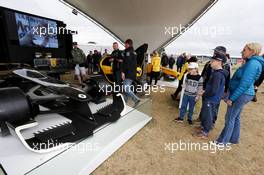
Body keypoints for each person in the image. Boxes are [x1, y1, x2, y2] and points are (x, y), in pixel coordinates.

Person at [216, 43, 264, 145]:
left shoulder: (253, 64)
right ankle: (234, 139)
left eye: (244, 50)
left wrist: (232, 98)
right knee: (235, 117)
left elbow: (245, 84)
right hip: (243, 93)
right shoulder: (251, 62)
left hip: (242, 94)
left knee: (230, 118)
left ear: (252, 51)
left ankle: (222, 142)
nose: (242, 51)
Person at [194, 53, 228, 139]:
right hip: (211, 98)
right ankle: (203, 127)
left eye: (212, 61)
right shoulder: (216, 72)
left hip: (211, 99)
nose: (210, 62)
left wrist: (204, 93)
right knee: (206, 113)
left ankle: (205, 132)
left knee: (208, 115)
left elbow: (214, 90)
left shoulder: (218, 74)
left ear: (219, 62)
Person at [122, 39, 140, 107]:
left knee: (126, 88)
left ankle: (136, 100)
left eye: (125, 44)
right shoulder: (134, 52)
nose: (124, 45)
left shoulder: (128, 52)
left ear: (128, 44)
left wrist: (123, 72)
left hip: (128, 73)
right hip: (132, 73)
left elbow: (127, 63)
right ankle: (124, 102)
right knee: (126, 88)